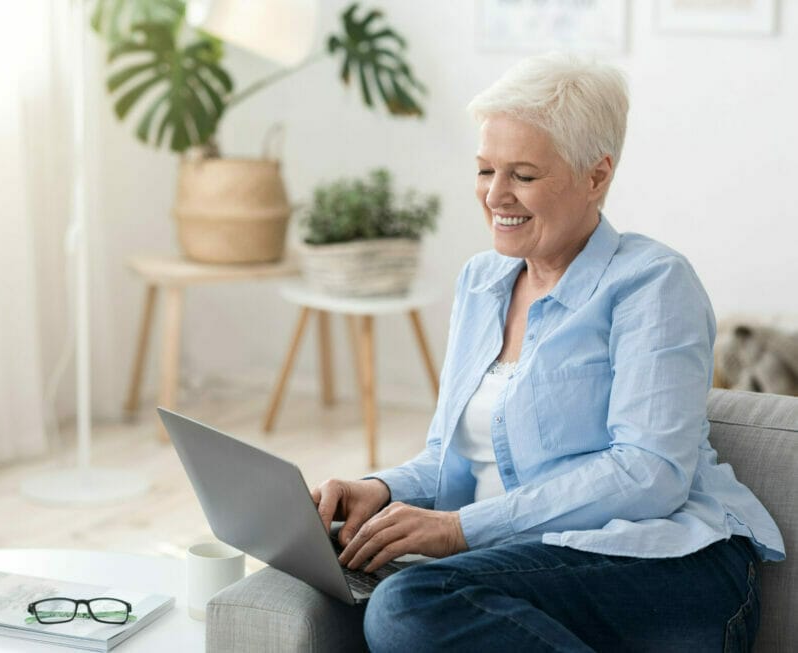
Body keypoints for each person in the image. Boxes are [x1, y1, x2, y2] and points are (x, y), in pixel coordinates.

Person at [311, 53, 785, 652]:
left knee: (409, 606)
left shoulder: (653, 282)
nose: (495, 195)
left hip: (669, 562)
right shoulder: (482, 282)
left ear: (596, 175)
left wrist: (460, 530)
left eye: (523, 175)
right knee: (368, 589)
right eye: (485, 170)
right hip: (525, 562)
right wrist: (379, 489)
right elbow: (452, 458)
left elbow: (650, 474)